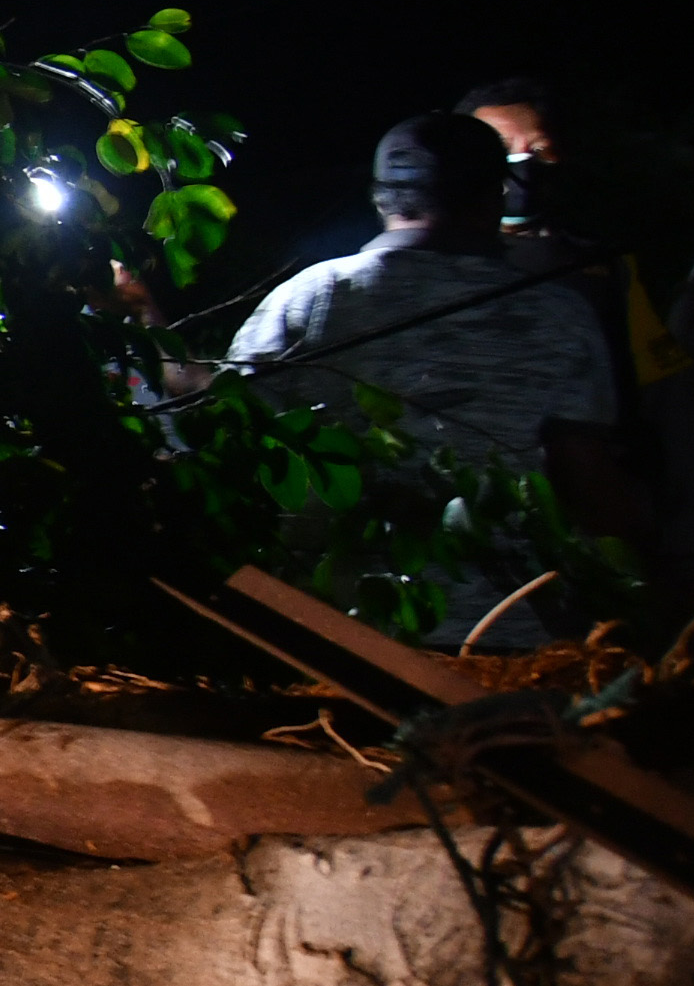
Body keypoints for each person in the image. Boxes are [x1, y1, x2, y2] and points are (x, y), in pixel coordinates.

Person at [225, 112, 621, 645]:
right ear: (494, 196)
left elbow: (232, 442)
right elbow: (588, 484)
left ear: (379, 198)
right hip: (510, 629)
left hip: (335, 629)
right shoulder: (559, 312)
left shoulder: (311, 296)